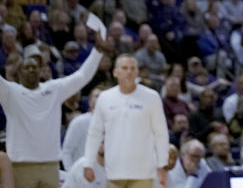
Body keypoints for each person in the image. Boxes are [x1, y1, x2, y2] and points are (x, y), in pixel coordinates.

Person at [0, 36, 103, 188]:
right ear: (19, 72)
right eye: (27, 67)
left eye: (34, 67)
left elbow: (81, 76)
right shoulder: (10, 92)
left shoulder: (53, 89)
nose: (31, 70)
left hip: (50, 164)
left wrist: (98, 51)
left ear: (40, 71)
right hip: (21, 164)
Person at [84, 54, 170, 188]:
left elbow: (161, 134)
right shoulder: (105, 98)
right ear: (115, 72)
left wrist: (162, 165)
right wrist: (88, 163)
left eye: (132, 68)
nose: (129, 72)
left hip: (143, 173)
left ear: (137, 72)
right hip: (114, 172)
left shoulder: (152, 97)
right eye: (124, 68)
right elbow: (95, 133)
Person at [62, 86, 104, 171]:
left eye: (103, 96)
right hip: (80, 173)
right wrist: (70, 173)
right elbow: (66, 151)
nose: (100, 99)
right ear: (89, 101)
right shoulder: (79, 122)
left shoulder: (113, 123)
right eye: (97, 96)